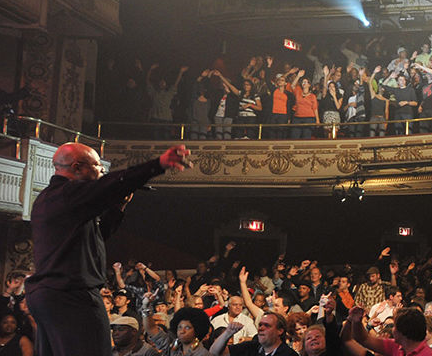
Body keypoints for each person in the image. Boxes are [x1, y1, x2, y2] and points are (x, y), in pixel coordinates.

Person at [25, 142, 192, 356]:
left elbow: (96, 239)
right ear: (77, 167)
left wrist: (118, 207)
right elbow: (112, 184)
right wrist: (158, 164)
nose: (102, 172)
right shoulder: (68, 194)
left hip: (52, 296)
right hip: (71, 296)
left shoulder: (57, 200)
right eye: (98, 166)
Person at [342, 306, 432, 356]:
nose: (392, 329)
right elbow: (363, 339)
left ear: (403, 332)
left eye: (395, 326)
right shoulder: (396, 346)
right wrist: (356, 321)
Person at [210, 313, 297, 356]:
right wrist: (227, 333)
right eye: (260, 325)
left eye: (267, 325)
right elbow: (214, 352)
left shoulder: (289, 354)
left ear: (280, 331)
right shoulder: (252, 346)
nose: (261, 328)